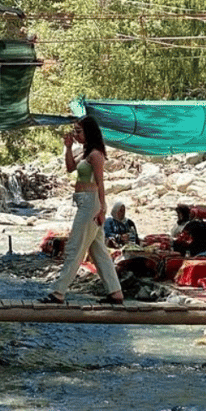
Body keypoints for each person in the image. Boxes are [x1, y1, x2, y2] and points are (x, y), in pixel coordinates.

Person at [41, 117, 124, 305]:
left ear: (89, 132)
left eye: (79, 131)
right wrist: (68, 147)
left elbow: (101, 183)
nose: (76, 134)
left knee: (74, 248)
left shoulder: (96, 155)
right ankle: (115, 292)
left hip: (90, 203)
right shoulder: (84, 152)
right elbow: (70, 168)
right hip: (82, 201)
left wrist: (102, 208)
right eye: (75, 131)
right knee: (98, 250)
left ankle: (58, 292)